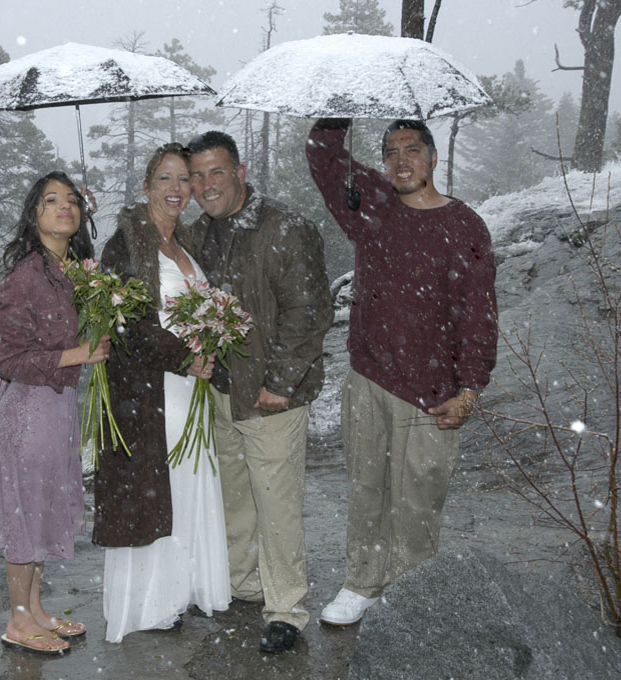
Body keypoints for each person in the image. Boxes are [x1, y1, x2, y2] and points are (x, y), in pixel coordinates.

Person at [306, 118, 498, 626]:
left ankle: (412, 596)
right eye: (390, 152)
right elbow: (324, 158)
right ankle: (362, 584)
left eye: (412, 149)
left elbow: (478, 313)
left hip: (432, 389)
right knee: (367, 488)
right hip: (368, 375)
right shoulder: (373, 207)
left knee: (418, 499)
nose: (400, 160)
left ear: (433, 157)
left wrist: (470, 388)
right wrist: (340, 107)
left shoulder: (464, 225)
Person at [187, 130, 333, 654]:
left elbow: (309, 312)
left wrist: (280, 383)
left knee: (277, 504)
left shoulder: (285, 227)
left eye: (217, 172)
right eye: (197, 175)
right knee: (236, 499)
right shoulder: (198, 233)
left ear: (240, 172)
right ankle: (245, 583)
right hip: (220, 391)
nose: (207, 184)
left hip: (271, 395)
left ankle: (286, 608)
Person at [94, 143, 231, 643]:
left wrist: (210, 344)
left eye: (184, 179)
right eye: (165, 179)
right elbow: (126, 323)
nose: (176, 189)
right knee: (155, 492)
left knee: (187, 487)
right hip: (150, 391)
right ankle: (149, 604)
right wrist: (183, 357)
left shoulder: (186, 243)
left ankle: (182, 589)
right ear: (147, 186)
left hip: (189, 387)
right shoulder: (125, 245)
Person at [0, 171, 109, 655]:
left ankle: (35, 609)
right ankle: (18, 620)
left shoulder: (73, 271)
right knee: (24, 516)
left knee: (41, 513)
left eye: (72, 201)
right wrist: (77, 354)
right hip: (27, 412)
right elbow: (8, 359)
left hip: (57, 410)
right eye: (51, 200)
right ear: (32, 214)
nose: (65, 207)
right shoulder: (25, 280)